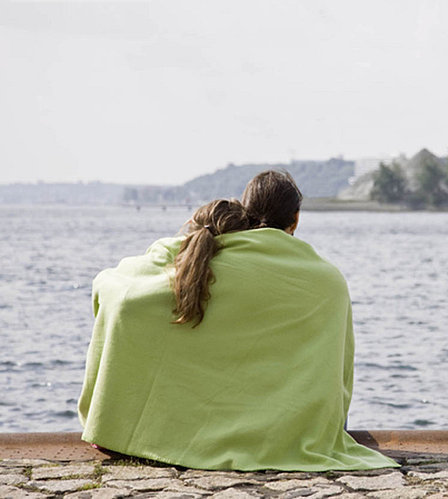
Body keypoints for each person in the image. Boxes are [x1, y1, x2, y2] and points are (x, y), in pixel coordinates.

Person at [78, 171, 397, 471]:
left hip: (179, 430)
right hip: (293, 433)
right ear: (295, 220)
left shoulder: (200, 258)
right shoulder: (327, 280)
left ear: (247, 210)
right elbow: (338, 370)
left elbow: (119, 294)